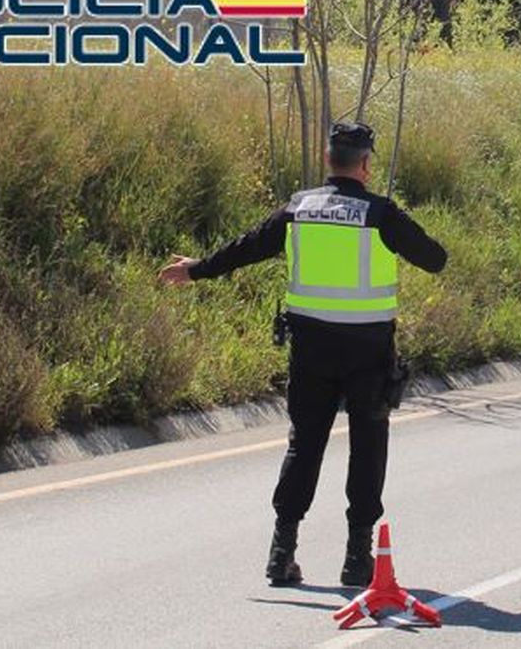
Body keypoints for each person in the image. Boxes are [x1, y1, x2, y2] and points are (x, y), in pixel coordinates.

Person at [158, 121, 447, 590]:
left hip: (311, 348)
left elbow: (247, 246)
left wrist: (197, 269)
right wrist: (395, 225)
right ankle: (357, 559)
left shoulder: (299, 208)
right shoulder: (380, 214)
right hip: (368, 350)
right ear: (366, 165)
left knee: (305, 444)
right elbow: (435, 259)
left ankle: (281, 554)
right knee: (368, 446)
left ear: (327, 159)